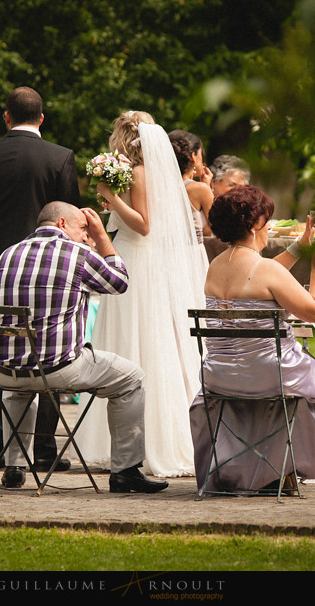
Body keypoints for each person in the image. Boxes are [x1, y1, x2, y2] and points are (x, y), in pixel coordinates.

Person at [0, 202, 167, 493]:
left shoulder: (6, 255)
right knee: (132, 378)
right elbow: (119, 283)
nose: (85, 236)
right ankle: (125, 471)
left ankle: (15, 466)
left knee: (20, 384)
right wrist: (103, 237)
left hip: (2, 370)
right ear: (62, 223)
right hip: (60, 369)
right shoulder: (79, 254)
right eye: (83, 229)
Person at [76, 111, 207, 478]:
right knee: (138, 340)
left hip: (138, 261)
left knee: (139, 341)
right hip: (139, 260)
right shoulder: (151, 174)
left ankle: (136, 443)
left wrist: (110, 199)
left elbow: (145, 226)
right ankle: (126, 441)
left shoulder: (138, 173)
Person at [190, 185, 315, 492]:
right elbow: (314, 311)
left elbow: (262, 276)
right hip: (270, 375)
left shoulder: (216, 266)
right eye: (267, 219)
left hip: (219, 376)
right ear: (255, 225)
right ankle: (287, 467)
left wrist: (299, 247)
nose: (269, 225)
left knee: (273, 395)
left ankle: (271, 471)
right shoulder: (265, 269)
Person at [0, 86, 81, 471]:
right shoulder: (60, 156)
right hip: (47, 268)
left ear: (6, 116)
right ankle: (44, 450)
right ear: (42, 118)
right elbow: (69, 213)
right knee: (51, 351)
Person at [168, 129, 214, 242]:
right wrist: (207, 188)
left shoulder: (163, 186)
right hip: (193, 253)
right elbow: (213, 229)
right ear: (193, 156)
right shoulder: (200, 189)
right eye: (201, 154)